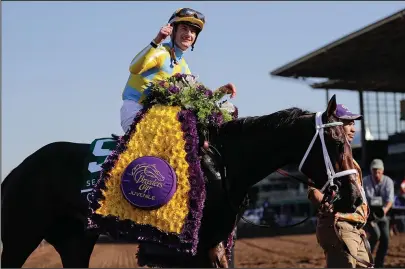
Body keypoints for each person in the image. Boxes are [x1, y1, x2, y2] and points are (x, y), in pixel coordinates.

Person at [120, 8, 237, 133]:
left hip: (160, 115)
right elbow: (134, 67)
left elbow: (195, 99)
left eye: (193, 31)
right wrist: (157, 40)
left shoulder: (184, 67)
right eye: (184, 29)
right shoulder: (160, 52)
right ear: (172, 31)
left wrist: (221, 91)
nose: (189, 34)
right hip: (136, 110)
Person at [308, 104, 372, 268]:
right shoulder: (327, 159)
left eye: (353, 124)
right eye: (348, 123)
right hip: (340, 227)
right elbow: (313, 191)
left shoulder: (347, 159)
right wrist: (329, 206)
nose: (353, 129)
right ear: (335, 124)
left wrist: (358, 225)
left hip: (355, 229)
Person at [363, 159, 395, 267]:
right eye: (374, 171)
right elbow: (363, 200)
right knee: (376, 235)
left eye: (379, 172)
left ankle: (379, 264)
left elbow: (390, 200)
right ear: (371, 171)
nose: (376, 174)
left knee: (385, 239)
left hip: (383, 213)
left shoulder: (388, 181)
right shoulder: (365, 181)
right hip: (370, 214)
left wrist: (384, 211)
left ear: (383, 171)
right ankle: (366, 257)